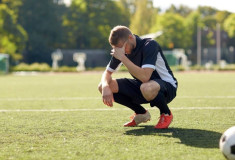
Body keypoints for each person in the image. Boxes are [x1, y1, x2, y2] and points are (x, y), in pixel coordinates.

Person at [98, 25, 177, 129]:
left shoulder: (150, 45)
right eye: (118, 49)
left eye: (123, 47)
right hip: (143, 86)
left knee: (146, 87)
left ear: (130, 38)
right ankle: (141, 113)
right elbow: (107, 73)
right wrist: (104, 87)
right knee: (104, 86)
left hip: (166, 87)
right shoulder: (121, 48)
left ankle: (166, 113)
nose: (123, 51)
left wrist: (122, 57)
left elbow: (145, 77)